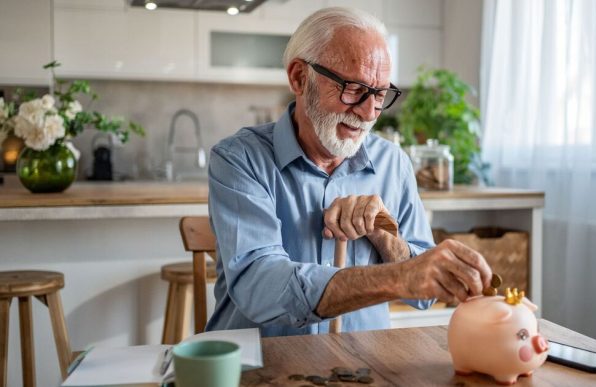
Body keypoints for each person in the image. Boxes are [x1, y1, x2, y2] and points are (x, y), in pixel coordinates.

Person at [206, 7, 492, 337]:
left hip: (361, 368)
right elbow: (260, 286)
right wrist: (398, 277)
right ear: (300, 78)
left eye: (380, 94)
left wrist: (386, 236)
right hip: (261, 366)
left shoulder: (393, 163)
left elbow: (424, 296)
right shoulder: (239, 158)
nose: (369, 112)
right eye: (354, 89)